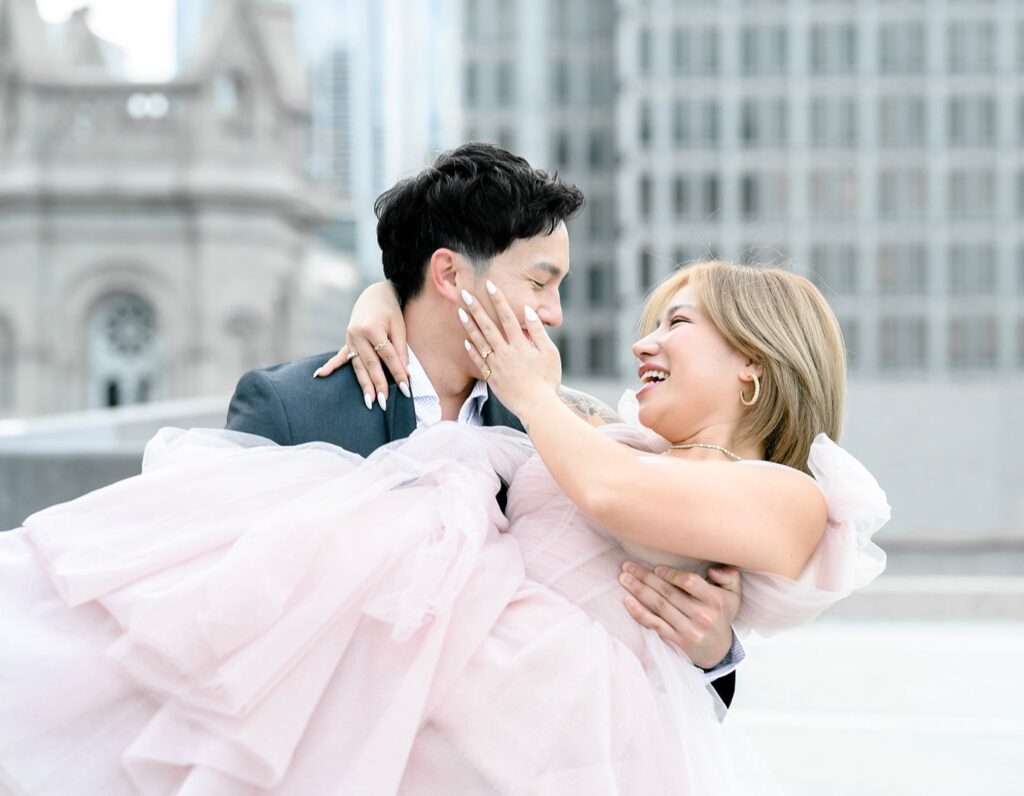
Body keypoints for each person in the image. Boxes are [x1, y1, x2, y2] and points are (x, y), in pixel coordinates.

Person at [0, 257, 888, 794]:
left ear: (754, 373)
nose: (643, 345)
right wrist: (389, 297)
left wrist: (537, 392)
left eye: (678, 325)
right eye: (651, 325)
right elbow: (489, 394)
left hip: (547, 752)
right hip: (422, 716)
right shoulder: (594, 431)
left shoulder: (791, 498)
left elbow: (614, 500)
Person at [225, 142, 744, 699]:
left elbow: (651, 655)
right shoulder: (288, 409)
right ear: (448, 273)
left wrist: (710, 652)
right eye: (540, 283)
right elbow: (221, 618)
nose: (555, 314)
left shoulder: (561, 433)